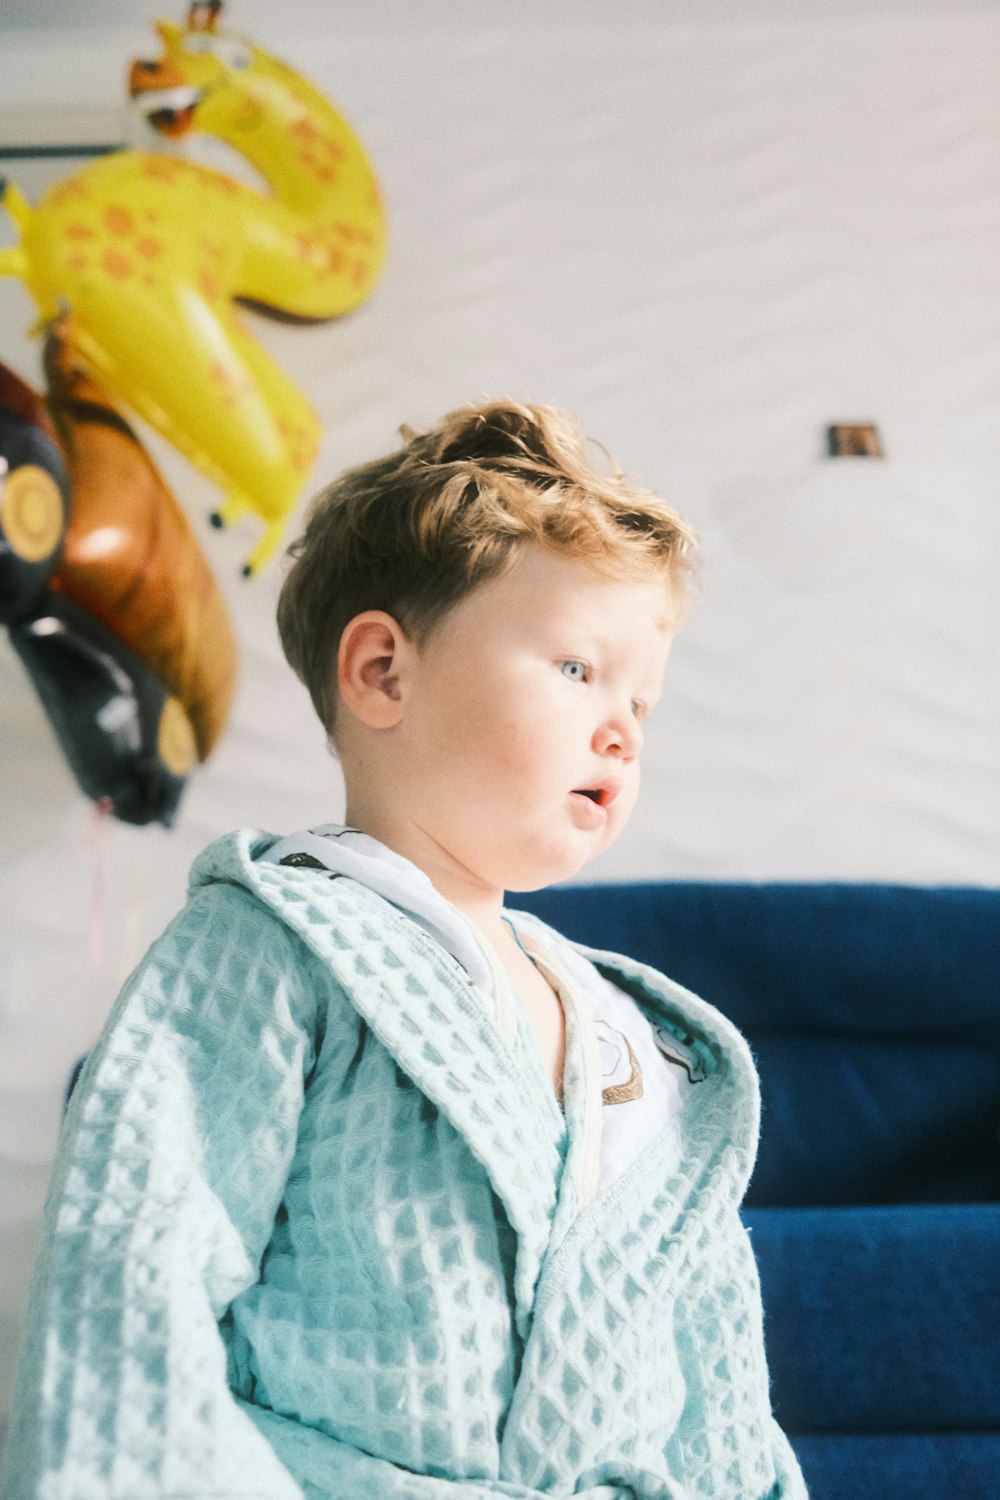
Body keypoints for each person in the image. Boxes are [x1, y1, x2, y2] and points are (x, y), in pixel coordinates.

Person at [2, 401, 807, 1500]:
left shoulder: (637, 1046)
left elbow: (719, 1386)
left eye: (642, 703)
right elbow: (131, 1285)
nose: (621, 727)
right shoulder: (271, 949)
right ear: (382, 671)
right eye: (577, 670)